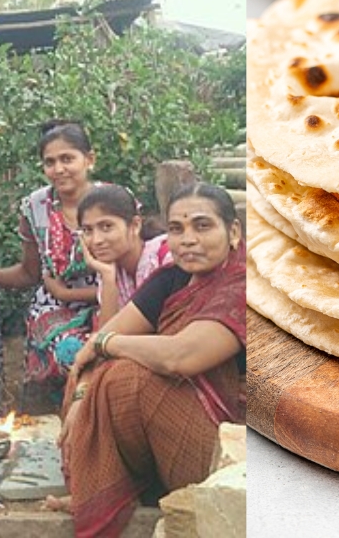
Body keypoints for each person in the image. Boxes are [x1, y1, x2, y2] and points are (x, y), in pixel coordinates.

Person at [58, 182, 245, 538]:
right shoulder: (170, 279)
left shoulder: (243, 287)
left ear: (233, 231)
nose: (188, 239)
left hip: (233, 446)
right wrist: (82, 396)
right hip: (175, 424)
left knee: (128, 378)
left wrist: (108, 346)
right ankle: (110, 489)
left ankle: (138, 487)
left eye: (202, 226)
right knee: (91, 377)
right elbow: (95, 346)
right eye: (177, 229)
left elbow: (180, 357)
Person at [0, 119, 102, 412]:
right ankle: (67, 422)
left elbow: (132, 272)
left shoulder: (113, 201)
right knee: (71, 351)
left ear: (89, 160)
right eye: (50, 162)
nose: (59, 169)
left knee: (110, 353)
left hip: (112, 299)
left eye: (68, 158)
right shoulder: (35, 206)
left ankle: (96, 428)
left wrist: (73, 295)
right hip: (54, 308)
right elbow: (29, 273)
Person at [77, 184, 171, 329]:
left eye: (107, 227)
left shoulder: (166, 260)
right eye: (88, 230)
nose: (96, 240)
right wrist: (108, 278)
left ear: (135, 225)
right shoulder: (113, 271)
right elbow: (104, 341)